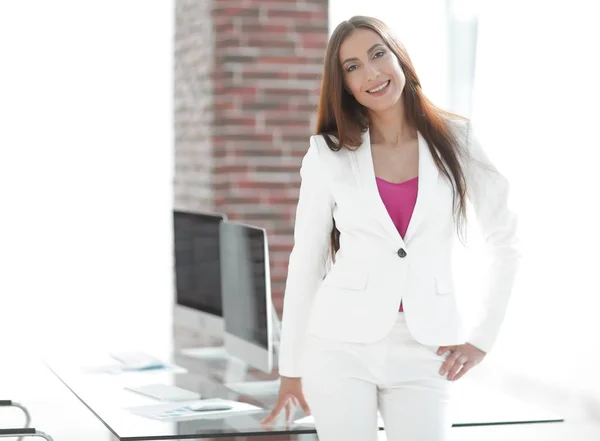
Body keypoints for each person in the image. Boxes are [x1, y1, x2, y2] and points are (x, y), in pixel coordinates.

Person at [261, 15, 520, 441]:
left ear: (399, 56)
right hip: (339, 347)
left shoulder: (458, 139)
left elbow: (506, 240)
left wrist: (482, 338)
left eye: (377, 55)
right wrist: (291, 371)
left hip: (426, 349)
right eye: (352, 67)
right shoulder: (329, 153)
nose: (371, 73)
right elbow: (306, 261)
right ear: (343, 84)